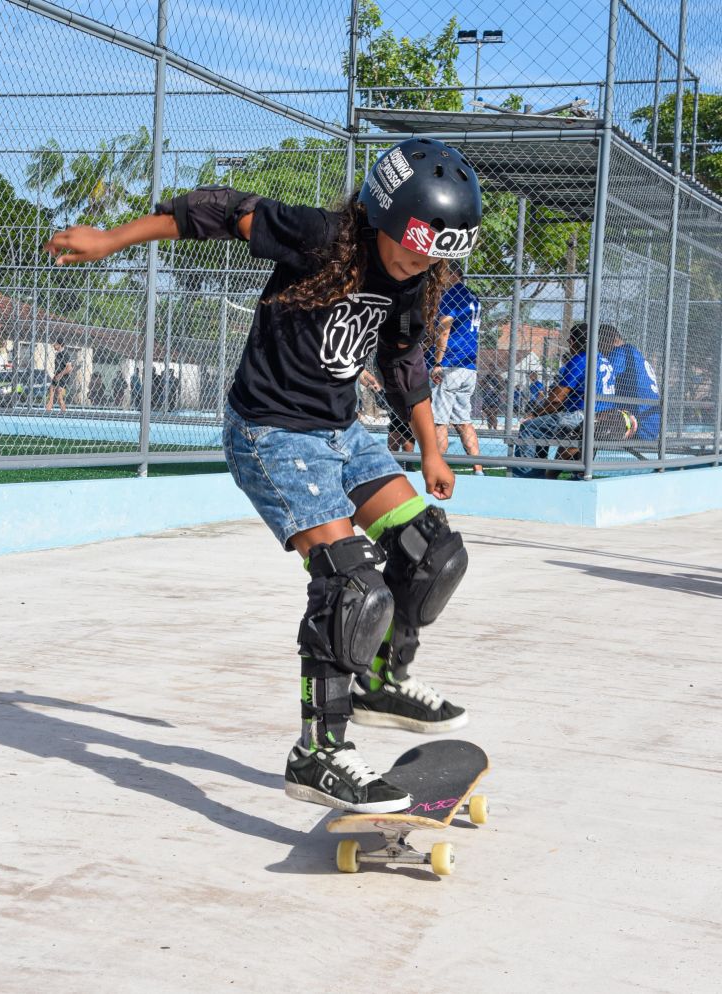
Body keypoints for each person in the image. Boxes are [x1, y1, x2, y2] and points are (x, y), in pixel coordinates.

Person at [44, 137, 482, 815]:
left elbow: (405, 367)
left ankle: (379, 680)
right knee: (351, 585)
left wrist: (431, 450)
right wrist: (113, 239)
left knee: (430, 551)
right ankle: (319, 753)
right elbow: (216, 210)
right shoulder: (322, 236)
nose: (420, 259)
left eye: (436, 251)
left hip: (340, 433)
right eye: (414, 242)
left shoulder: (412, 280)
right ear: (380, 214)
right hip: (273, 432)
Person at [511, 322, 617, 479]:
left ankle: (529, 480)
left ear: (572, 342)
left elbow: (556, 400)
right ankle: (576, 476)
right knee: (544, 427)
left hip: (581, 416)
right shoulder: (603, 360)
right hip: (603, 416)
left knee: (529, 427)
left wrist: (534, 415)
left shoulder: (580, 359)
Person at [427, 265, 484, 474]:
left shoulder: (453, 294)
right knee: (463, 421)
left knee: (439, 421)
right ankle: (478, 470)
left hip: (450, 363)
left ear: (453, 274)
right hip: (469, 367)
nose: (438, 278)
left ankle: (438, 467)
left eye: (442, 273)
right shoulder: (472, 295)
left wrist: (438, 362)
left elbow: (445, 328)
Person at [596, 328, 660, 442]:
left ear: (613, 340)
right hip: (651, 425)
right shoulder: (634, 354)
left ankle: (580, 459)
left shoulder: (620, 352)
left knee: (583, 427)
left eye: (600, 343)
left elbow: (601, 381)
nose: (599, 349)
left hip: (639, 425)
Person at [46, 339, 73, 412]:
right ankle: (48, 409)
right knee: (51, 391)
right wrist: (55, 376)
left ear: (60, 345)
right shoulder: (58, 354)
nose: (54, 345)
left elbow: (69, 368)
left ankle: (64, 412)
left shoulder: (65, 354)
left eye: (55, 344)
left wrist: (60, 375)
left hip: (63, 378)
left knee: (59, 398)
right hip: (57, 376)